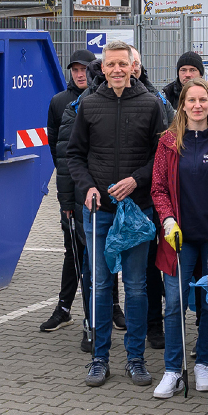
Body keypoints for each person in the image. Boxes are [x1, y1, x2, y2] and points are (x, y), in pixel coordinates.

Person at [68, 40, 172, 388]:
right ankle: (99, 359)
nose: (116, 70)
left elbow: (161, 158)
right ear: (103, 67)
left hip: (137, 211)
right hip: (99, 212)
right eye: (110, 65)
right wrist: (87, 189)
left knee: (138, 288)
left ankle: (136, 359)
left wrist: (136, 179)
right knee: (99, 286)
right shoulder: (89, 105)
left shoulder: (150, 105)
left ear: (132, 67)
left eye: (121, 64)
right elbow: (75, 156)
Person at [149, 77, 208, 398]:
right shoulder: (169, 142)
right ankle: (173, 369)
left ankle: (202, 363)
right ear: (182, 105)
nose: (198, 105)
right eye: (191, 100)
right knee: (174, 304)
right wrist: (168, 220)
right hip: (179, 239)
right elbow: (158, 188)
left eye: (204, 100)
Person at [42, 49, 96, 335]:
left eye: (83, 68)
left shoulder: (102, 97)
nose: (79, 73)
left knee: (101, 256)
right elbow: (57, 149)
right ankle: (64, 308)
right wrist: (68, 187)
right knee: (73, 252)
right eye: (74, 69)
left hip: (98, 194)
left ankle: (108, 309)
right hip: (71, 194)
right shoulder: (59, 102)